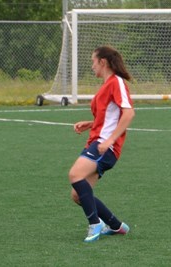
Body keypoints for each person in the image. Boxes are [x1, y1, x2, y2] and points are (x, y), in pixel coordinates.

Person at [68, 45, 135, 242]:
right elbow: (108, 117)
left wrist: (110, 139)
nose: (92, 66)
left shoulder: (117, 83)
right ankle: (116, 225)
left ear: (102, 62)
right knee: (78, 194)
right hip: (98, 142)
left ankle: (95, 224)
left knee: (74, 174)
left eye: (93, 62)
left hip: (105, 146)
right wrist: (90, 124)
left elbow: (129, 113)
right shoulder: (106, 86)